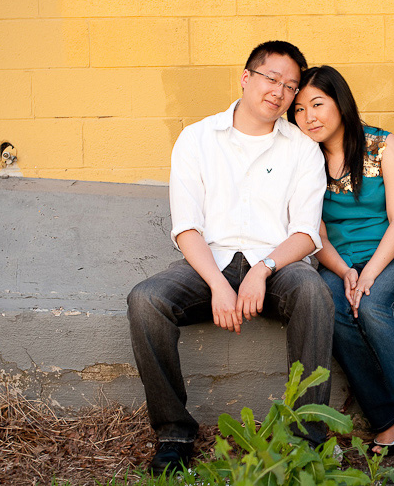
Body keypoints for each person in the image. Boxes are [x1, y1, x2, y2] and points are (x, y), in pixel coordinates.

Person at [127, 41, 334, 476]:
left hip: (278, 266)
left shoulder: (301, 149)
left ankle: (306, 440)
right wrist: (220, 285)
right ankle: (174, 434)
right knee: (146, 301)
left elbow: (304, 233)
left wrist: (263, 269)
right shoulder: (197, 138)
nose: (280, 92)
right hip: (209, 263)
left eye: (290, 86)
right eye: (271, 79)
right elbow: (187, 227)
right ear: (246, 78)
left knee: (314, 292)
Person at [289, 65, 394, 475]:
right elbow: (316, 233)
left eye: (317, 104)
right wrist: (346, 272)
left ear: (340, 103)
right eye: (298, 109)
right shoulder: (302, 160)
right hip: (339, 262)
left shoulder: (382, 145)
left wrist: (368, 274)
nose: (308, 116)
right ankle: (387, 421)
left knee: (374, 305)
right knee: (331, 304)